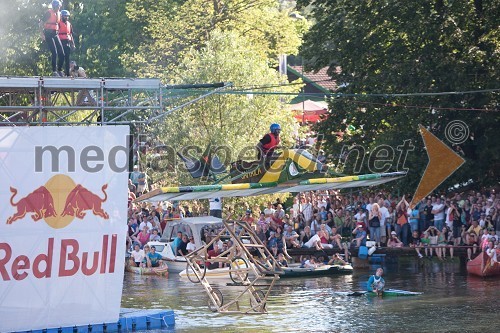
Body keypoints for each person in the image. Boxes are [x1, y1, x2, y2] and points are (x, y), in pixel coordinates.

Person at [40, 0, 64, 76]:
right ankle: (54, 71)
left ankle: (59, 70)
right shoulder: (48, 13)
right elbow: (40, 23)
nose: (59, 8)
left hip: (55, 34)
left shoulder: (59, 13)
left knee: (62, 53)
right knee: (54, 52)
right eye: (58, 7)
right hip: (48, 34)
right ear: (54, 6)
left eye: (59, 7)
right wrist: (42, 34)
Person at [57, 10, 75, 77]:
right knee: (61, 56)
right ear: (61, 16)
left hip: (67, 42)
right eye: (65, 16)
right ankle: (59, 70)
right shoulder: (58, 23)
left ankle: (67, 73)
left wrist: (72, 44)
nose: (66, 17)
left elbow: (70, 34)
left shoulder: (69, 24)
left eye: (67, 16)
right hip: (60, 42)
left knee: (67, 58)